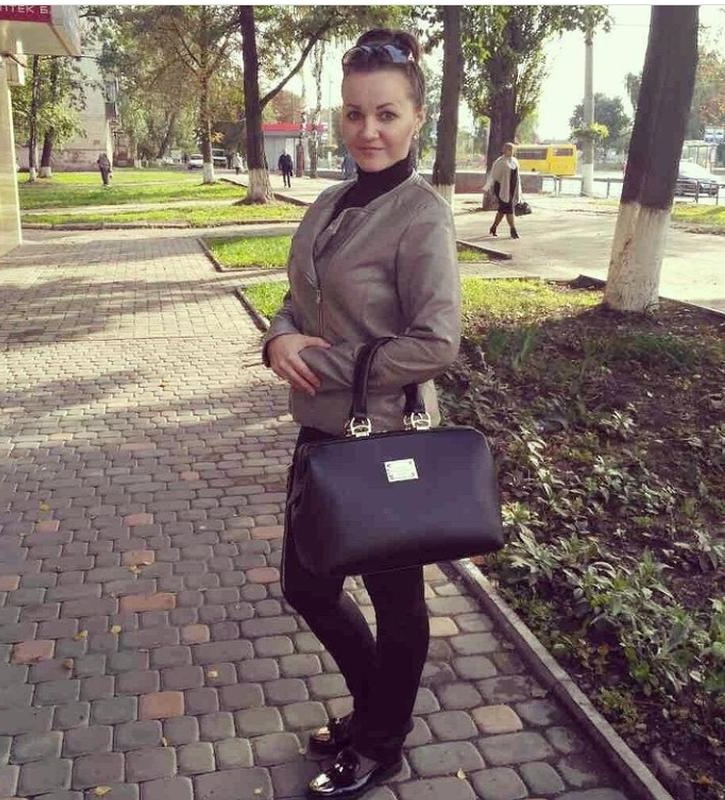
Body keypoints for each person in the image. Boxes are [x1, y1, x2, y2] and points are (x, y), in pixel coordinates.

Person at [263, 28, 460, 800]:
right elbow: (299, 298)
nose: (367, 130)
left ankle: (380, 742)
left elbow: (436, 342)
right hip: (321, 431)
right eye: (353, 113)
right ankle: (378, 710)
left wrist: (323, 364)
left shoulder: (421, 215)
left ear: (416, 118)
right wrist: (279, 338)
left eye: (385, 113)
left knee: (395, 602)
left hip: (384, 441)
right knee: (306, 585)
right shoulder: (329, 201)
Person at [484, 142, 522, 239]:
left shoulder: (515, 161)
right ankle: (513, 231)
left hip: (512, 189)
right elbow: (494, 175)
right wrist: (487, 187)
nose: (509, 151)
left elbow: (517, 177)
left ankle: (493, 227)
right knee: (509, 209)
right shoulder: (500, 162)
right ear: (504, 150)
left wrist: (519, 190)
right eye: (507, 149)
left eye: (511, 149)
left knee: (502, 210)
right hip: (502, 189)